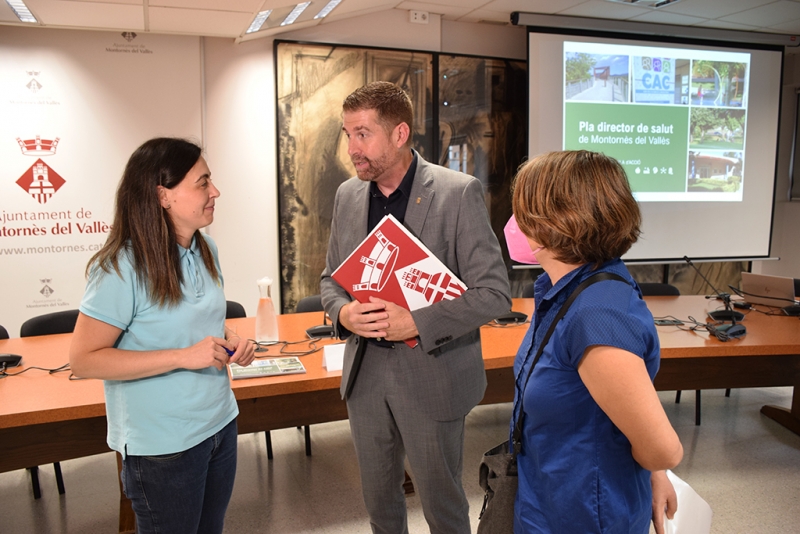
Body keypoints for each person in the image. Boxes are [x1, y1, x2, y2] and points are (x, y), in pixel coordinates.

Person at [320, 81, 511, 534]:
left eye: (363, 134)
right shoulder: (348, 195)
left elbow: (494, 293)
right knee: (380, 505)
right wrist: (343, 314)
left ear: (400, 133)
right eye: (348, 134)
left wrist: (417, 320)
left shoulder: (457, 193)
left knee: (442, 506)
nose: (353, 147)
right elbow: (331, 281)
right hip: (365, 378)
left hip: (432, 375)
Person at [69, 137, 255, 534]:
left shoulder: (206, 249)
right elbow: (84, 359)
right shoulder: (120, 267)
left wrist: (230, 337)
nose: (215, 191)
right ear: (162, 195)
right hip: (163, 447)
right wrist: (182, 356)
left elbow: (197, 320)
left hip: (219, 425)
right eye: (202, 183)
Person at [509, 150, 683, 533]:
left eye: (522, 210)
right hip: (550, 496)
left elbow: (663, 448)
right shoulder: (569, 287)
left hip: (583, 515)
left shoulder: (595, 315)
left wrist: (655, 468)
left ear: (553, 222)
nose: (514, 222)